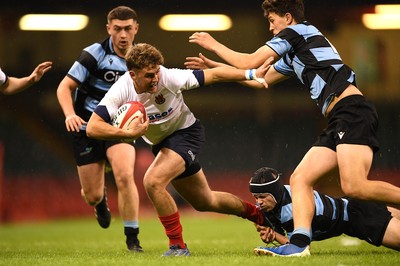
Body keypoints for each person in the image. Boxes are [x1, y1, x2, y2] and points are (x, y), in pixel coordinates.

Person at [187, 0, 400, 256]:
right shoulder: (294, 51)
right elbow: (259, 78)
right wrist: (216, 68)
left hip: (352, 111)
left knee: (354, 186)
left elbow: (250, 61)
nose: (270, 27)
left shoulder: (299, 31)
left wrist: (213, 44)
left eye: (272, 20)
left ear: (288, 18)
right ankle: (299, 244)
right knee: (301, 179)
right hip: (338, 118)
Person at [86, 43, 274, 256]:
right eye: (149, 75)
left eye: (157, 71)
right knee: (205, 201)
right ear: (133, 75)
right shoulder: (121, 89)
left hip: (186, 134)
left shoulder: (169, 77)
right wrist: (127, 135)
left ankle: (178, 246)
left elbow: (214, 75)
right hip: (163, 145)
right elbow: (92, 128)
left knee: (153, 181)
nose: (156, 78)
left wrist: (250, 73)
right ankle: (259, 216)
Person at [55, 6, 143, 252]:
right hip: (86, 125)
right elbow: (64, 87)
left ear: (136, 29)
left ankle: (132, 238)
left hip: (119, 126)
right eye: (117, 29)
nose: (123, 35)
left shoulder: (142, 57)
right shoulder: (94, 54)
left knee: (125, 176)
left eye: (127, 29)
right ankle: (100, 201)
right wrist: (70, 114)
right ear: (109, 29)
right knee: (91, 195)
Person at [248, 167, 400, 256]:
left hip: (358, 217)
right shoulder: (286, 192)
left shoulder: (290, 208)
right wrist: (270, 229)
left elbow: (298, 246)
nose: (259, 202)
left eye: (263, 196)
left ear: (275, 192)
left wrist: (274, 235)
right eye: (256, 197)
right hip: (352, 205)